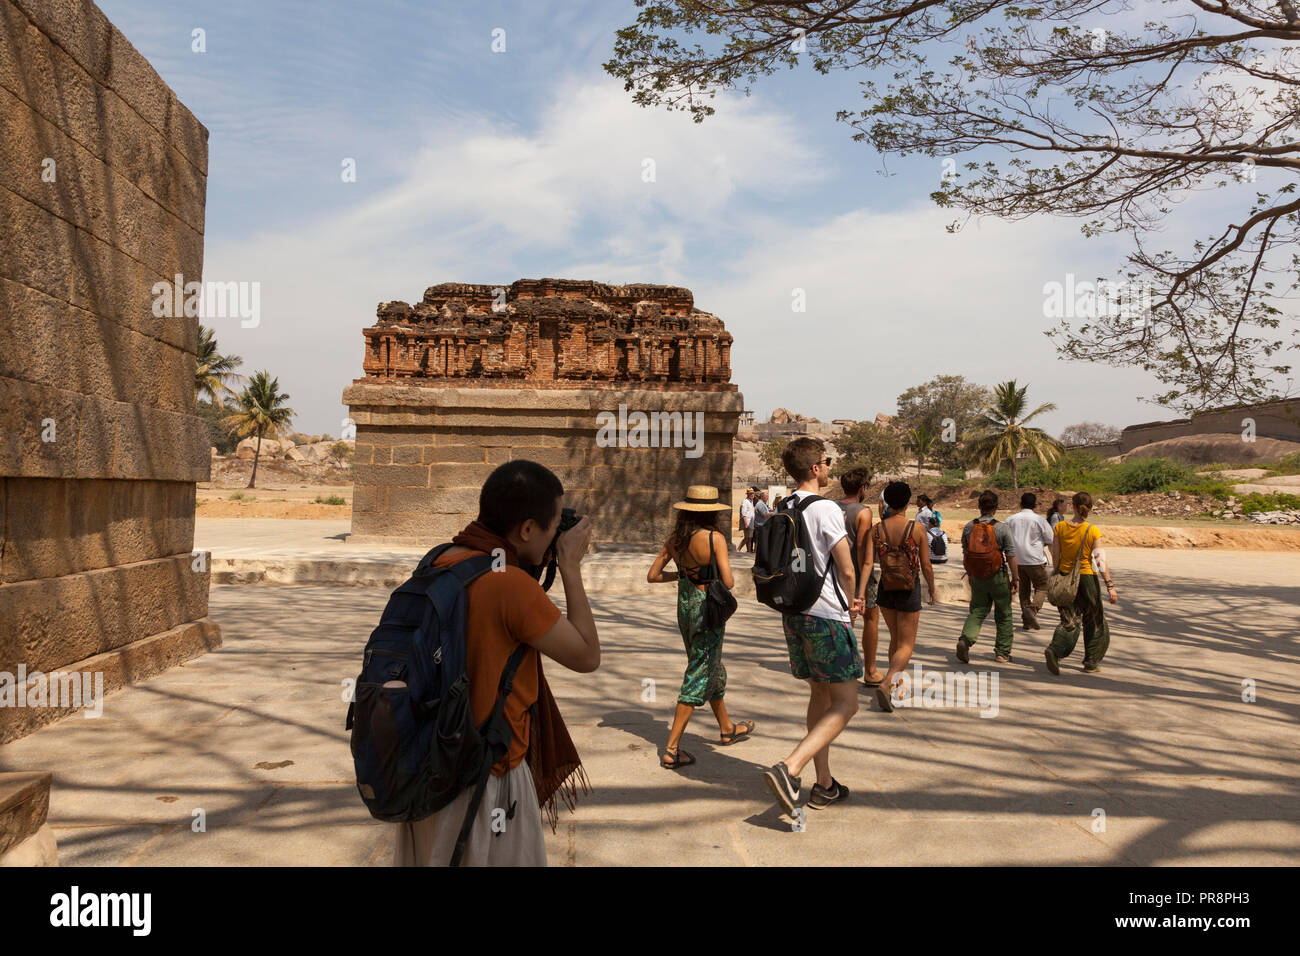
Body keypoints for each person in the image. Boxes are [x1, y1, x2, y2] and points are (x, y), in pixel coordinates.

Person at [393, 459, 598, 867]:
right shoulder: (510, 586)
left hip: (425, 769)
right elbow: (586, 655)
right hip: (487, 781)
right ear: (526, 529)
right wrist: (570, 566)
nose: (556, 534)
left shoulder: (441, 560)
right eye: (553, 524)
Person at [762, 438, 862, 814]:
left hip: (794, 613)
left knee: (819, 696)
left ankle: (824, 784)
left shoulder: (784, 505)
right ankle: (791, 768)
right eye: (827, 460)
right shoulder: (826, 509)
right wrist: (853, 603)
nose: (829, 466)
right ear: (817, 468)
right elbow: (847, 568)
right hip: (826, 615)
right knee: (847, 703)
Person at [647, 485, 752, 768]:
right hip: (708, 611)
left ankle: (727, 728)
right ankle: (670, 749)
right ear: (713, 512)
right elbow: (728, 582)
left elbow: (653, 576)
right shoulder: (715, 538)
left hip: (686, 609)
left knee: (710, 665)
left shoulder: (674, 540)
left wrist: (680, 574)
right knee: (698, 672)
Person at [860, 480, 935, 713]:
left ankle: (897, 685)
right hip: (909, 588)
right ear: (908, 501)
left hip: (885, 588)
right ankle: (887, 683)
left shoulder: (877, 529)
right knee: (906, 645)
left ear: (887, 502)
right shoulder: (917, 529)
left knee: (895, 639)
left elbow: (867, 562)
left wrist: (861, 592)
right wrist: (932, 588)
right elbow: (925, 564)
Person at [1046, 491, 1119, 675]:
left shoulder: (1060, 528)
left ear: (1072, 505)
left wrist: (1058, 572)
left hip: (1064, 576)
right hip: (1087, 578)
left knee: (1069, 619)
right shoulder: (1093, 531)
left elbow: (1055, 555)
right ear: (1090, 507)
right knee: (1094, 620)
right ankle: (1091, 661)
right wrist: (1109, 585)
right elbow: (1100, 560)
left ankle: (1055, 650)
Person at [955, 490, 1020, 664]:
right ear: (996, 508)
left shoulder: (969, 527)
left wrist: (970, 573)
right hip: (998, 576)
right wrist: (1016, 578)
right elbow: (1011, 555)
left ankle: (965, 640)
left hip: (977, 576)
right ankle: (1002, 652)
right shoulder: (1002, 528)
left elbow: (965, 552)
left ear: (979, 506)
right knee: (1004, 614)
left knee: (977, 610)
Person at [836, 467, 883, 688]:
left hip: (834, 575)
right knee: (870, 617)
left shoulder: (831, 507)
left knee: (843, 621)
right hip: (856, 574)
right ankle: (870, 670)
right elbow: (865, 555)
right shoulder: (864, 512)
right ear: (862, 488)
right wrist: (862, 591)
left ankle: (839, 669)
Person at [1005, 492, 1054, 630]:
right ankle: (1033, 609)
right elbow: (1050, 539)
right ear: (1035, 505)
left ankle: (1027, 622)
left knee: (1024, 590)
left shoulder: (1010, 520)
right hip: (1035, 559)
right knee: (1043, 586)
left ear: (1020, 503)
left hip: (1016, 560)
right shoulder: (1039, 520)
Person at [739, 488, 756, 552]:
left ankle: (748, 550)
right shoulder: (745, 502)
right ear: (748, 494)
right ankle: (738, 549)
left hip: (751, 523)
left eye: (753, 493)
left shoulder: (751, 501)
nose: (752, 495)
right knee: (746, 538)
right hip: (747, 523)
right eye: (750, 494)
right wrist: (746, 523)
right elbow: (744, 514)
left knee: (750, 538)